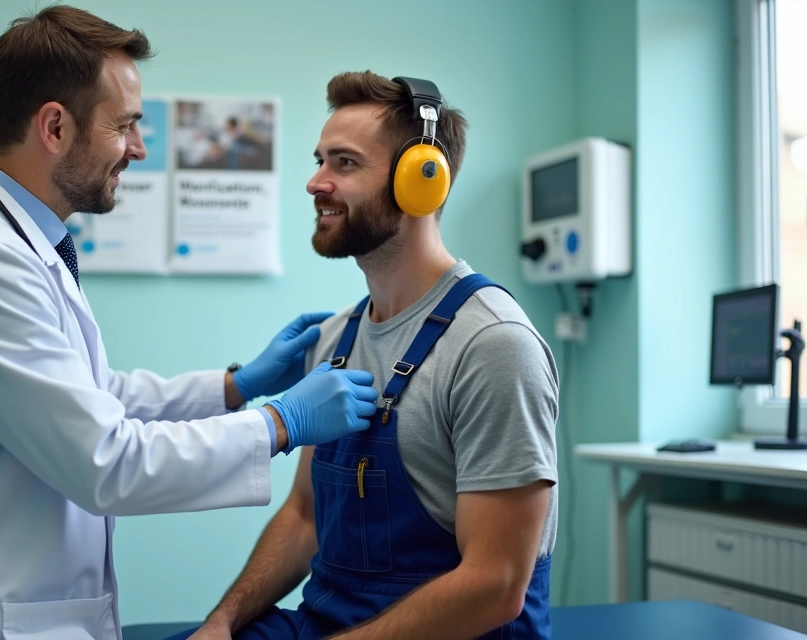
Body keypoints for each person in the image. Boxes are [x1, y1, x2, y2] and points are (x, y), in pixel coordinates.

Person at [0, 9, 379, 640]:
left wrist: (238, 385)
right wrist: (280, 422)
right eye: (126, 125)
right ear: (54, 126)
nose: (138, 147)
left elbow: (94, 397)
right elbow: (105, 460)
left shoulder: (16, 245)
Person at [171, 72, 559, 640]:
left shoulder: (493, 346)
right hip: (325, 623)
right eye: (319, 160)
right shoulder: (337, 337)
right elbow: (304, 515)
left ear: (422, 181)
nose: (314, 183)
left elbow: (497, 584)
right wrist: (221, 623)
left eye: (344, 164)